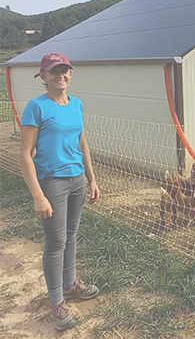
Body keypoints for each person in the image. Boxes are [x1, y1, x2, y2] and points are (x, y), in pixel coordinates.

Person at [19, 52, 101, 331]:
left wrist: (92, 178)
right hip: (52, 182)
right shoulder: (36, 107)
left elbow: (82, 143)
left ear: (71, 73)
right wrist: (38, 195)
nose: (61, 75)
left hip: (77, 180)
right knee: (55, 244)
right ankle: (56, 303)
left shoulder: (76, 104)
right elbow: (25, 155)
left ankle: (70, 285)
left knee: (71, 236)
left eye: (65, 70)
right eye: (54, 71)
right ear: (43, 77)